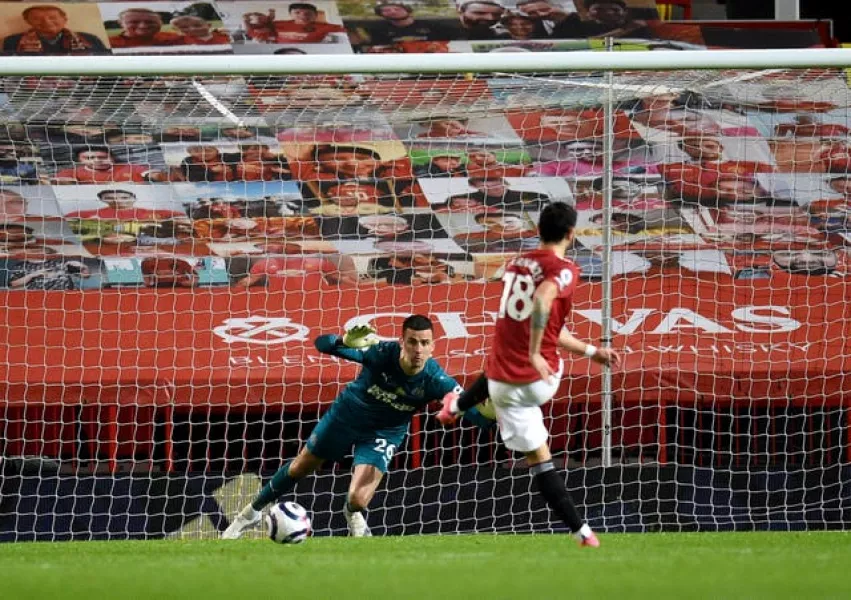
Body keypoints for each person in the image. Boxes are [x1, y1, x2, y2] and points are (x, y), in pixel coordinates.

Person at [437, 203, 622, 548]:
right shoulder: (566, 268)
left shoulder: (515, 264)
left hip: (506, 386)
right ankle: (584, 533)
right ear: (571, 234)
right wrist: (545, 351)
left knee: (497, 374)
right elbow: (543, 300)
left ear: (538, 229)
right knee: (540, 456)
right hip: (542, 378)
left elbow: (541, 309)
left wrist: (583, 351)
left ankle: (457, 407)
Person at [222, 315, 491, 538]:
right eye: (412, 342)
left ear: (433, 347)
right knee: (299, 467)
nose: (418, 349)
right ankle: (250, 513)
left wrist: (495, 413)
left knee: (359, 499)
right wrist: (342, 341)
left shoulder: (436, 380)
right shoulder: (380, 353)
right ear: (401, 342)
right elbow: (321, 344)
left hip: (384, 433)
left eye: (424, 343)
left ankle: (351, 512)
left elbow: (475, 416)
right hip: (347, 416)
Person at [2, 5, 108, 55]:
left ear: (64, 19)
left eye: (53, 18)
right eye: (37, 19)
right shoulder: (13, 41)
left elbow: (106, 63)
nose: (46, 22)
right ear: (28, 21)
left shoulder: (89, 39)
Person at [247, 4, 346, 44]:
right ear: (290, 14)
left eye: (308, 13)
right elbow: (254, 33)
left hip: (311, 57)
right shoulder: (277, 24)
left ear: (315, 15)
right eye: (297, 13)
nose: (303, 16)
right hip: (280, 56)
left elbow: (348, 30)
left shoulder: (326, 26)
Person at [364, 2, 457, 45]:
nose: (392, 12)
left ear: (408, 11)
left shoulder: (434, 27)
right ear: (381, 15)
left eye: (397, 9)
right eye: (386, 10)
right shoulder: (379, 31)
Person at [52, 147, 159, 184]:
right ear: (80, 161)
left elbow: (154, 175)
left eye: (102, 157)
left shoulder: (131, 168)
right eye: (89, 158)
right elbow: (63, 182)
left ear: (112, 158)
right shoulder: (71, 172)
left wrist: (158, 176)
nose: (97, 161)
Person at [64, 189, 186, 220]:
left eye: (124, 197)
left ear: (134, 199)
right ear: (102, 200)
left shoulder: (157, 213)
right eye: (109, 198)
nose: (118, 201)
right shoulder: (87, 214)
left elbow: (182, 216)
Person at [445, 178, 550, 212]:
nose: (494, 189)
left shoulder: (535, 196)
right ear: (475, 187)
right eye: (485, 186)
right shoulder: (460, 199)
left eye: (497, 184)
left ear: (506, 183)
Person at [108, 9, 184, 49]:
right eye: (134, 22)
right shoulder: (110, 43)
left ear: (160, 23)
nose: (143, 26)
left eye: (150, 22)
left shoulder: (175, 37)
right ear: (121, 23)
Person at [0, 257, 90, 290]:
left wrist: (83, 266)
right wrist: (32, 275)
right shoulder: (21, 266)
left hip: (65, 294)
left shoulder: (57, 262)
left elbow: (86, 275)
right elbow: (13, 284)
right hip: (40, 297)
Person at [514, 0, 583, 38]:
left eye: (545, 9)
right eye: (532, 13)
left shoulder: (578, 19)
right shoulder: (530, 28)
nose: (541, 14)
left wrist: (565, 17)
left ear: (557, 7)